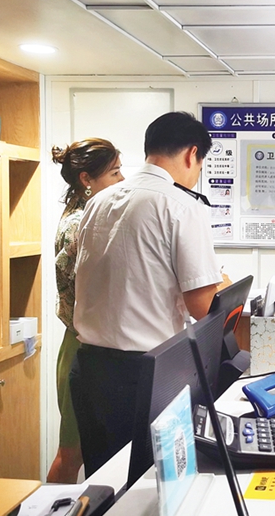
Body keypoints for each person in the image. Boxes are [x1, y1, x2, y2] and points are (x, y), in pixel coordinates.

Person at [70, 111, 226, 477]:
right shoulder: (182, 205)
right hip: (144, 373)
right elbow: (202, 306)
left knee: (102, 481)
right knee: (148, 485)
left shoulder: (98, 201)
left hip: (90, 369)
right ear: (192, 154)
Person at [47, 139, 123, 483]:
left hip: (88, 347)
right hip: (82, 349)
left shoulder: (86, 214)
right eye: (114, 172)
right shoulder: (81, 222)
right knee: (71, 454)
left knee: (82, 451)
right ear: (86, 179)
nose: (122, 180)